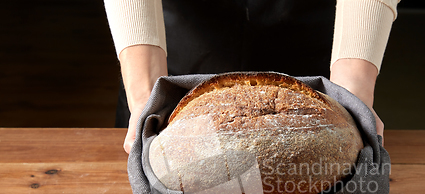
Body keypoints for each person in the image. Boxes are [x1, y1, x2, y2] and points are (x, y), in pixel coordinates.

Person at [103, 0, 399, 153]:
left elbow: (349, 92)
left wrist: (353, 88)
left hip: (313, 36)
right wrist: (147, 95)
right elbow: (149, 97)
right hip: (173, 42)